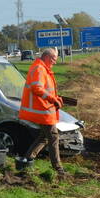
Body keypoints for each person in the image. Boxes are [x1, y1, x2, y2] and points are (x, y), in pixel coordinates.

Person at [17, 47, 67, 176]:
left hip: (44, 110)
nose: (55, 62)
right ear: (47, 57)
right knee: (53, 137)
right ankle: (58, 168)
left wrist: (56, 98)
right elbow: (37, 88)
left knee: (44, 137)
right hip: (42, 111)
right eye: (54, 59)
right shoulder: (39, 69)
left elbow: (46, 90)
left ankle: (27, 160)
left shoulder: (42, 69)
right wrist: (52, 99)